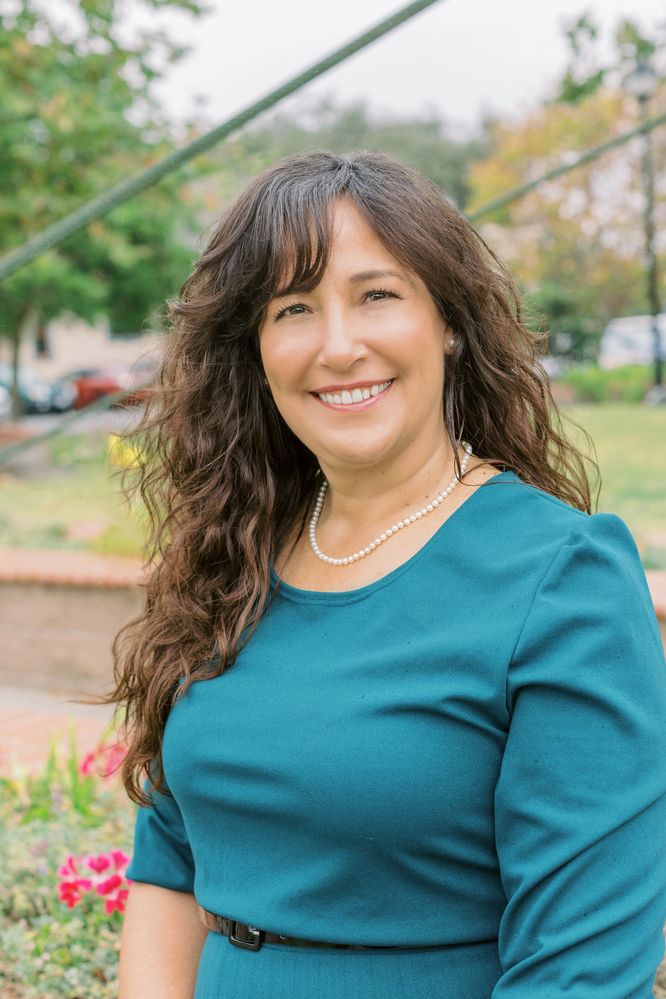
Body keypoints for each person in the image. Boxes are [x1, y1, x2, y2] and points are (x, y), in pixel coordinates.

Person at [106, 150, 666, 998]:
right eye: (293, 308)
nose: (339, 346)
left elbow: (581, 973)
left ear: (448, 320)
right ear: (255, 349)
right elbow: (170, 859)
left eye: (377, 295)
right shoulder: (233, 557)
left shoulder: (563, 579)